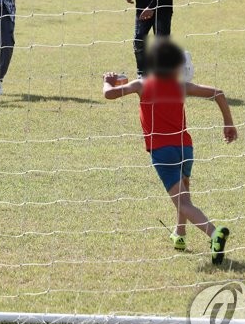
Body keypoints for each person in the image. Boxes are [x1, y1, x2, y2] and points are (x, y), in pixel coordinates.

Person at [102, 40, 237, 264]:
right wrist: (228, 124)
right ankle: (180, 234)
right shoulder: (181, 86)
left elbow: (110, 95)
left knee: (182, 202)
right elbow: (219, 94)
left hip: (162, 151)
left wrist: (107, 82)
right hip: (185, 147)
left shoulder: (141, 84)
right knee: (184, 194)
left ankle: (214, 234)